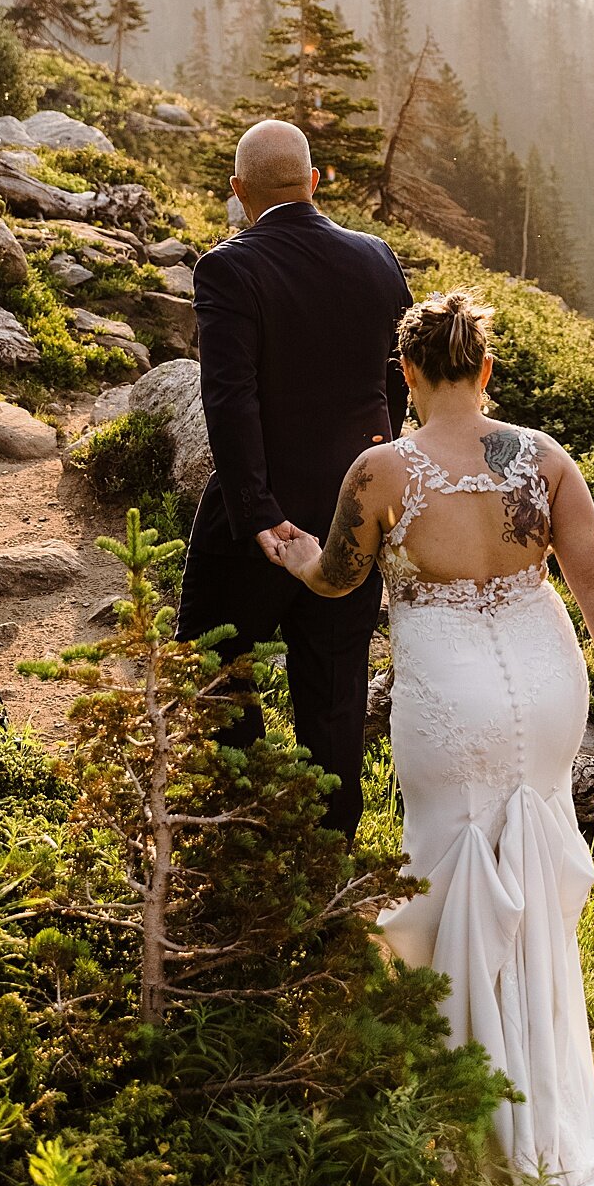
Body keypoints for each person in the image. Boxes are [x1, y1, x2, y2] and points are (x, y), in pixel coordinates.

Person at [269, 287, 594, 1186]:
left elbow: (340, 578)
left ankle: (462, 1096)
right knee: (530, 863)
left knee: (450, 869)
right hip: (547, 673)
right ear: (484, 370)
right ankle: (543, 1088)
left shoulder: (383, 470)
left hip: (449, 690)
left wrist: (293, 556)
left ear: (406, 374)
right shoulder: (544, 458)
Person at [178, 118, 412, 840]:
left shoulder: (228, 267)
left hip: (259, 519)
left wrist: (256, 512)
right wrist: (373, 486)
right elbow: (394, 384)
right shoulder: (378, 260)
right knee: (336, 690)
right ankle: (330, 846)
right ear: (313, 183)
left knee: (215, 659)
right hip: (352, 517)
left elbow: (230, 397)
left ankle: (237, 822)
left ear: (239, 191)